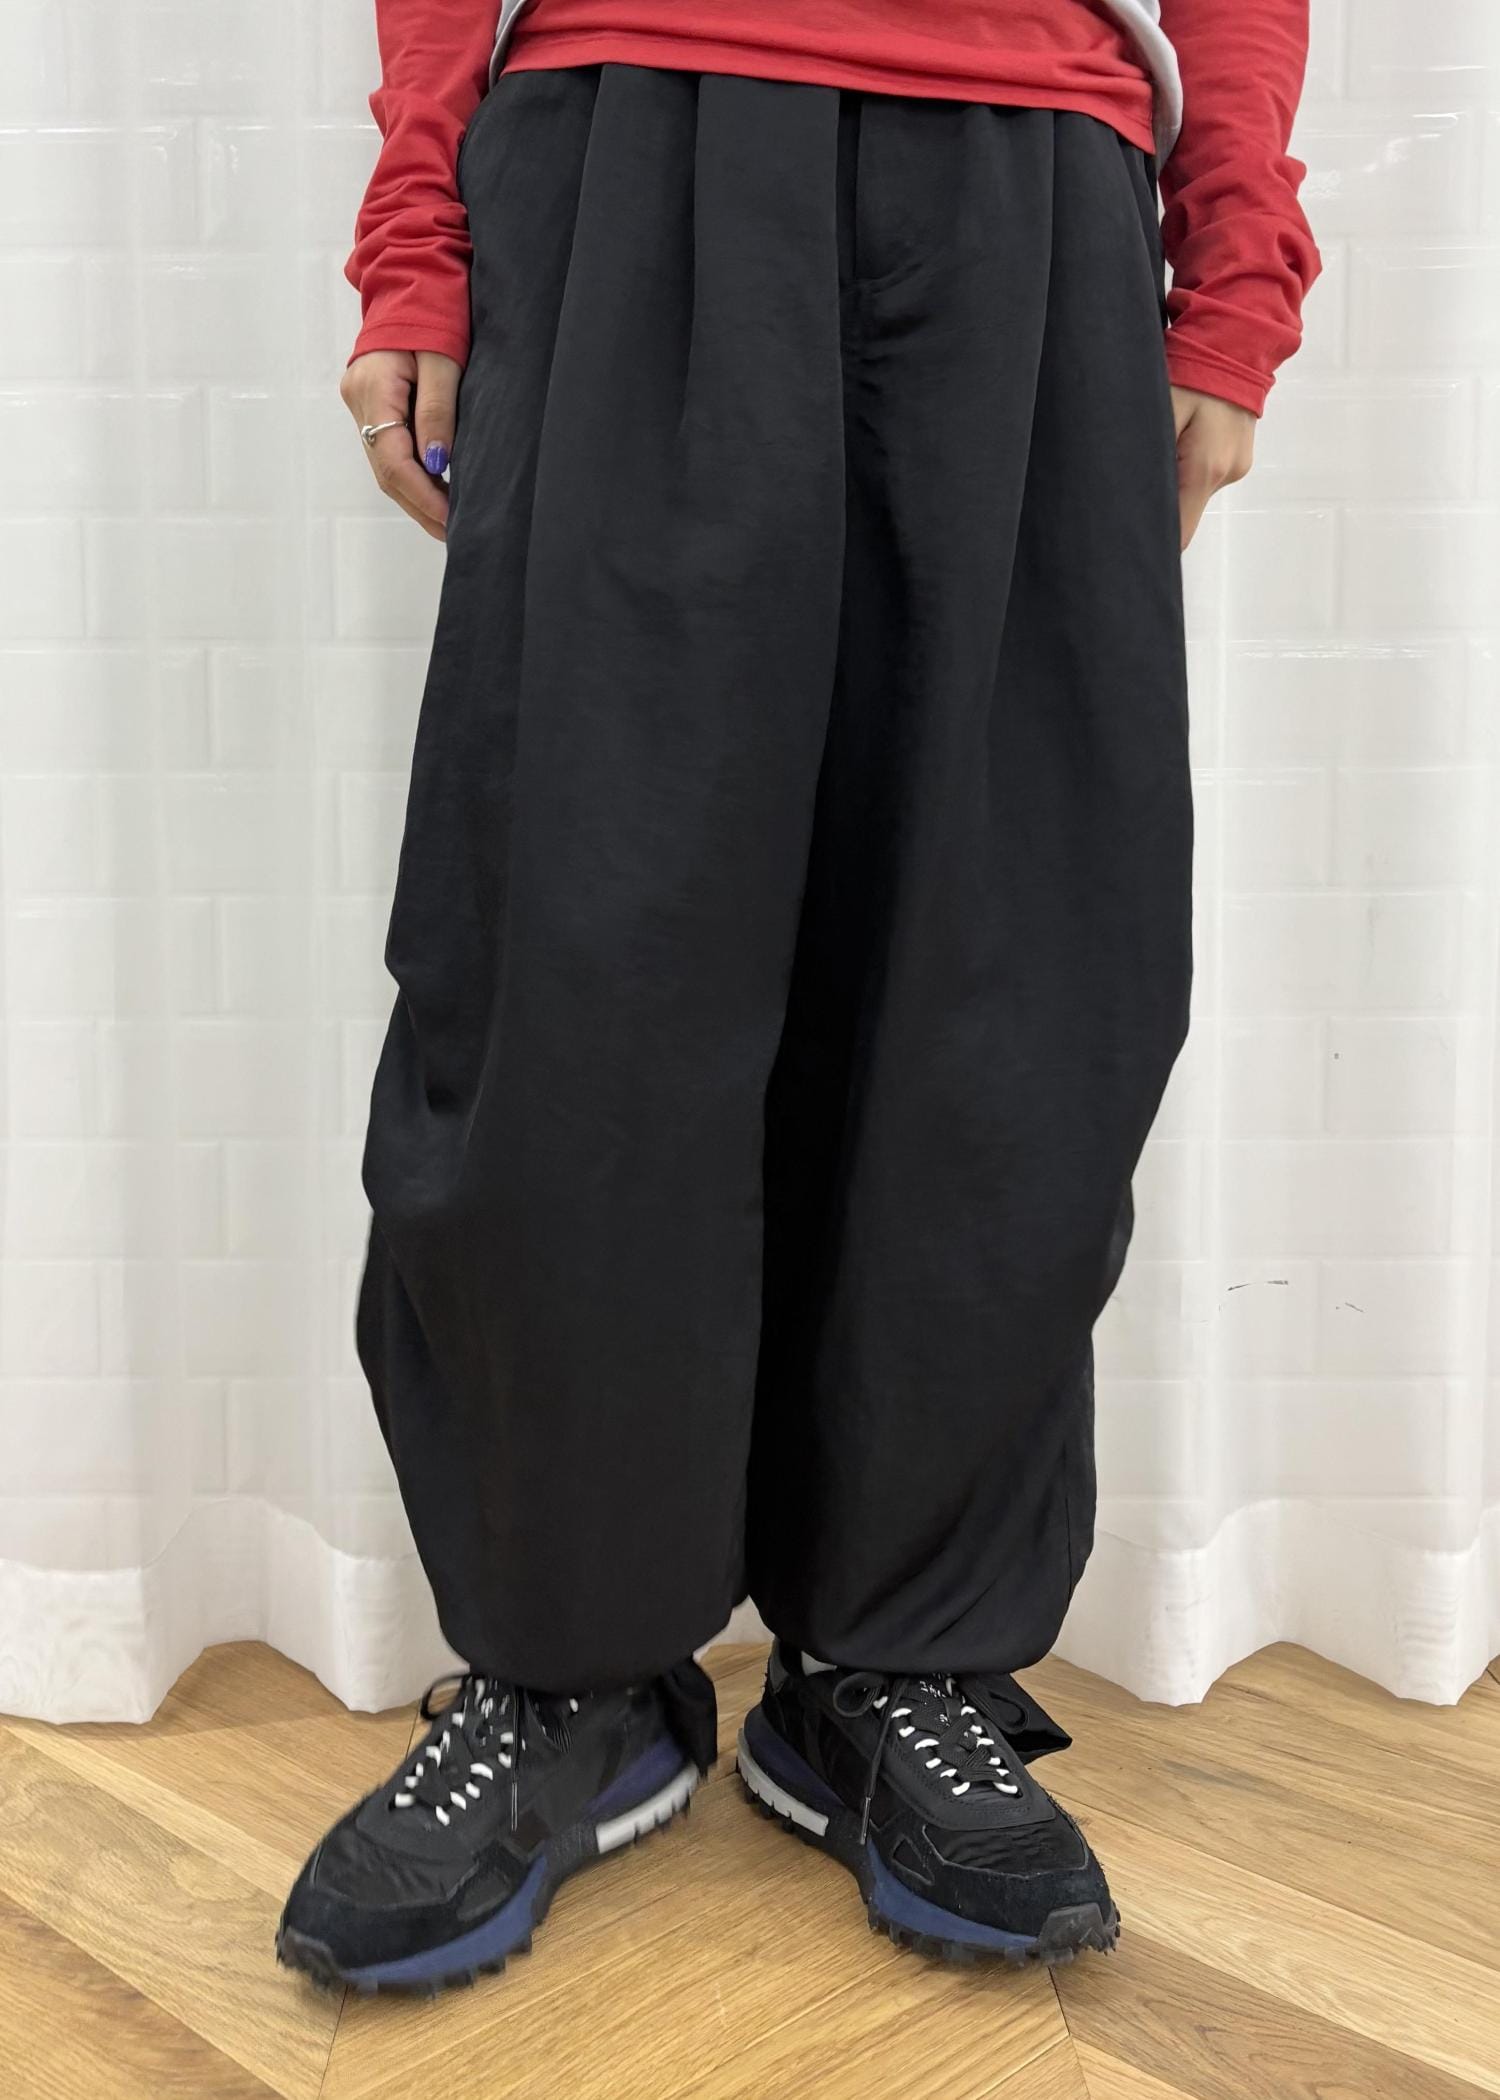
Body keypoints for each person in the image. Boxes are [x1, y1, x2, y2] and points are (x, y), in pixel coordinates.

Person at [278, 0, 1318, 1993]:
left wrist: (1235, 264)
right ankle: (573, 1672)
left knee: (1007, 966)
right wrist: (417, 234)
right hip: (629, 120)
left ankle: (891, 1663)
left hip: (1030, 162)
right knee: (575, 952)